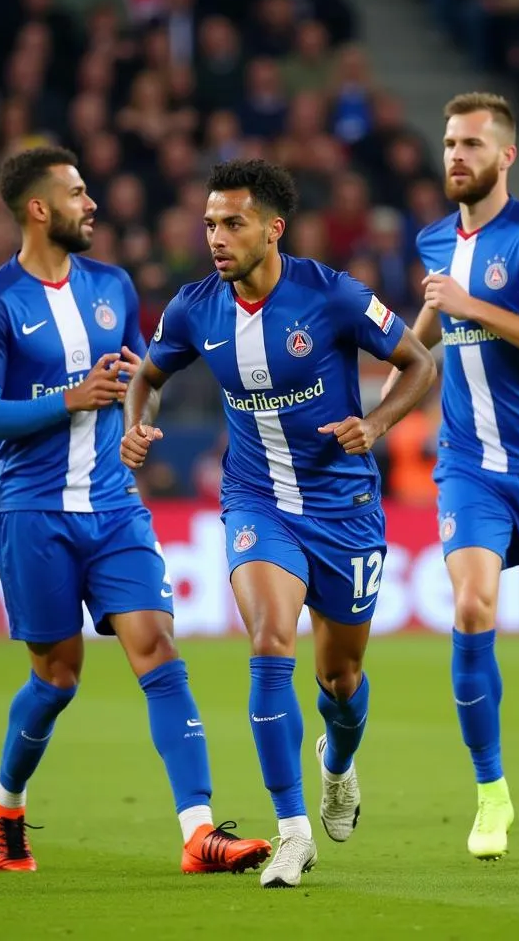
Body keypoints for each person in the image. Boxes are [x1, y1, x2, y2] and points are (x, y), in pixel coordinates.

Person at [121, 159, 436, 888]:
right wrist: (136, 428)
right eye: (209, 224)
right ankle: (294, 832)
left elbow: (419, 363)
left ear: (273, 228)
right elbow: (148, 376)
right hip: (256, 501)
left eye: (233, 224)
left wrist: (379, 423)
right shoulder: (196, 307)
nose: (217, 238)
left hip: (343, 508)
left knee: (341, 679)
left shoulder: (331, 295)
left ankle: (338, 762)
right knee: (269, 643)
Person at [0, 145, 270, 875]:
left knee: (158, 649)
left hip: (112, 505)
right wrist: (69, 398)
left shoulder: (113, 285)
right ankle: (5, 798)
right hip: (33, 511)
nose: (91, 203)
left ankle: (198, 831)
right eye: (76, 193)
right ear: (39, 209)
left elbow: (138, 374)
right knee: (57, 677)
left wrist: (138, 417)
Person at [384, 91, 519, 862]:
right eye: (447, 144)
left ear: (506, 156)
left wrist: (476, 306)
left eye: (471, 144)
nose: (455, 157)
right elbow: (430, 331)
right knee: (471, 608)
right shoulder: (436, 240)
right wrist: (387, 377)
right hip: (470, 466)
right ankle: (491, 792)